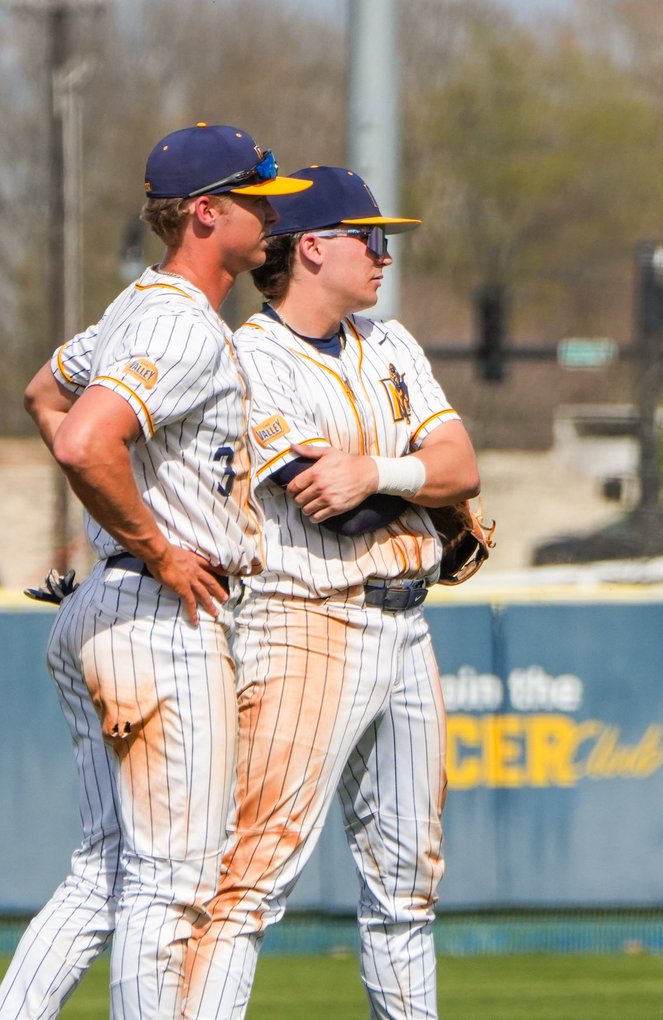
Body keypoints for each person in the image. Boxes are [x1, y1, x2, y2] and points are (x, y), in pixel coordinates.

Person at [0, 123, 311, 1019]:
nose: (269, 214)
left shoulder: (134, 309)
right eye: (256, 199)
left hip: (113, 604)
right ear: (205, 213)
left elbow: (44, 393)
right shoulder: (178, 324)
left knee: (104, 868)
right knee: (170, 884)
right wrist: (157, 546)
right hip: (159, 616)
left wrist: (120, 534)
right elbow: (88, 440)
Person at [180, 165, 480, 1019]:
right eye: (370, 237)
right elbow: (330, 506)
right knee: (250, 882)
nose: (385, 255)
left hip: (407, 626)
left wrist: (380, 471)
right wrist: (413, 482)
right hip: (305, 623)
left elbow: (464, 469)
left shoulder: (391, 343)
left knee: (408, 887)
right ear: (312, 247)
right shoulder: (247, 358)